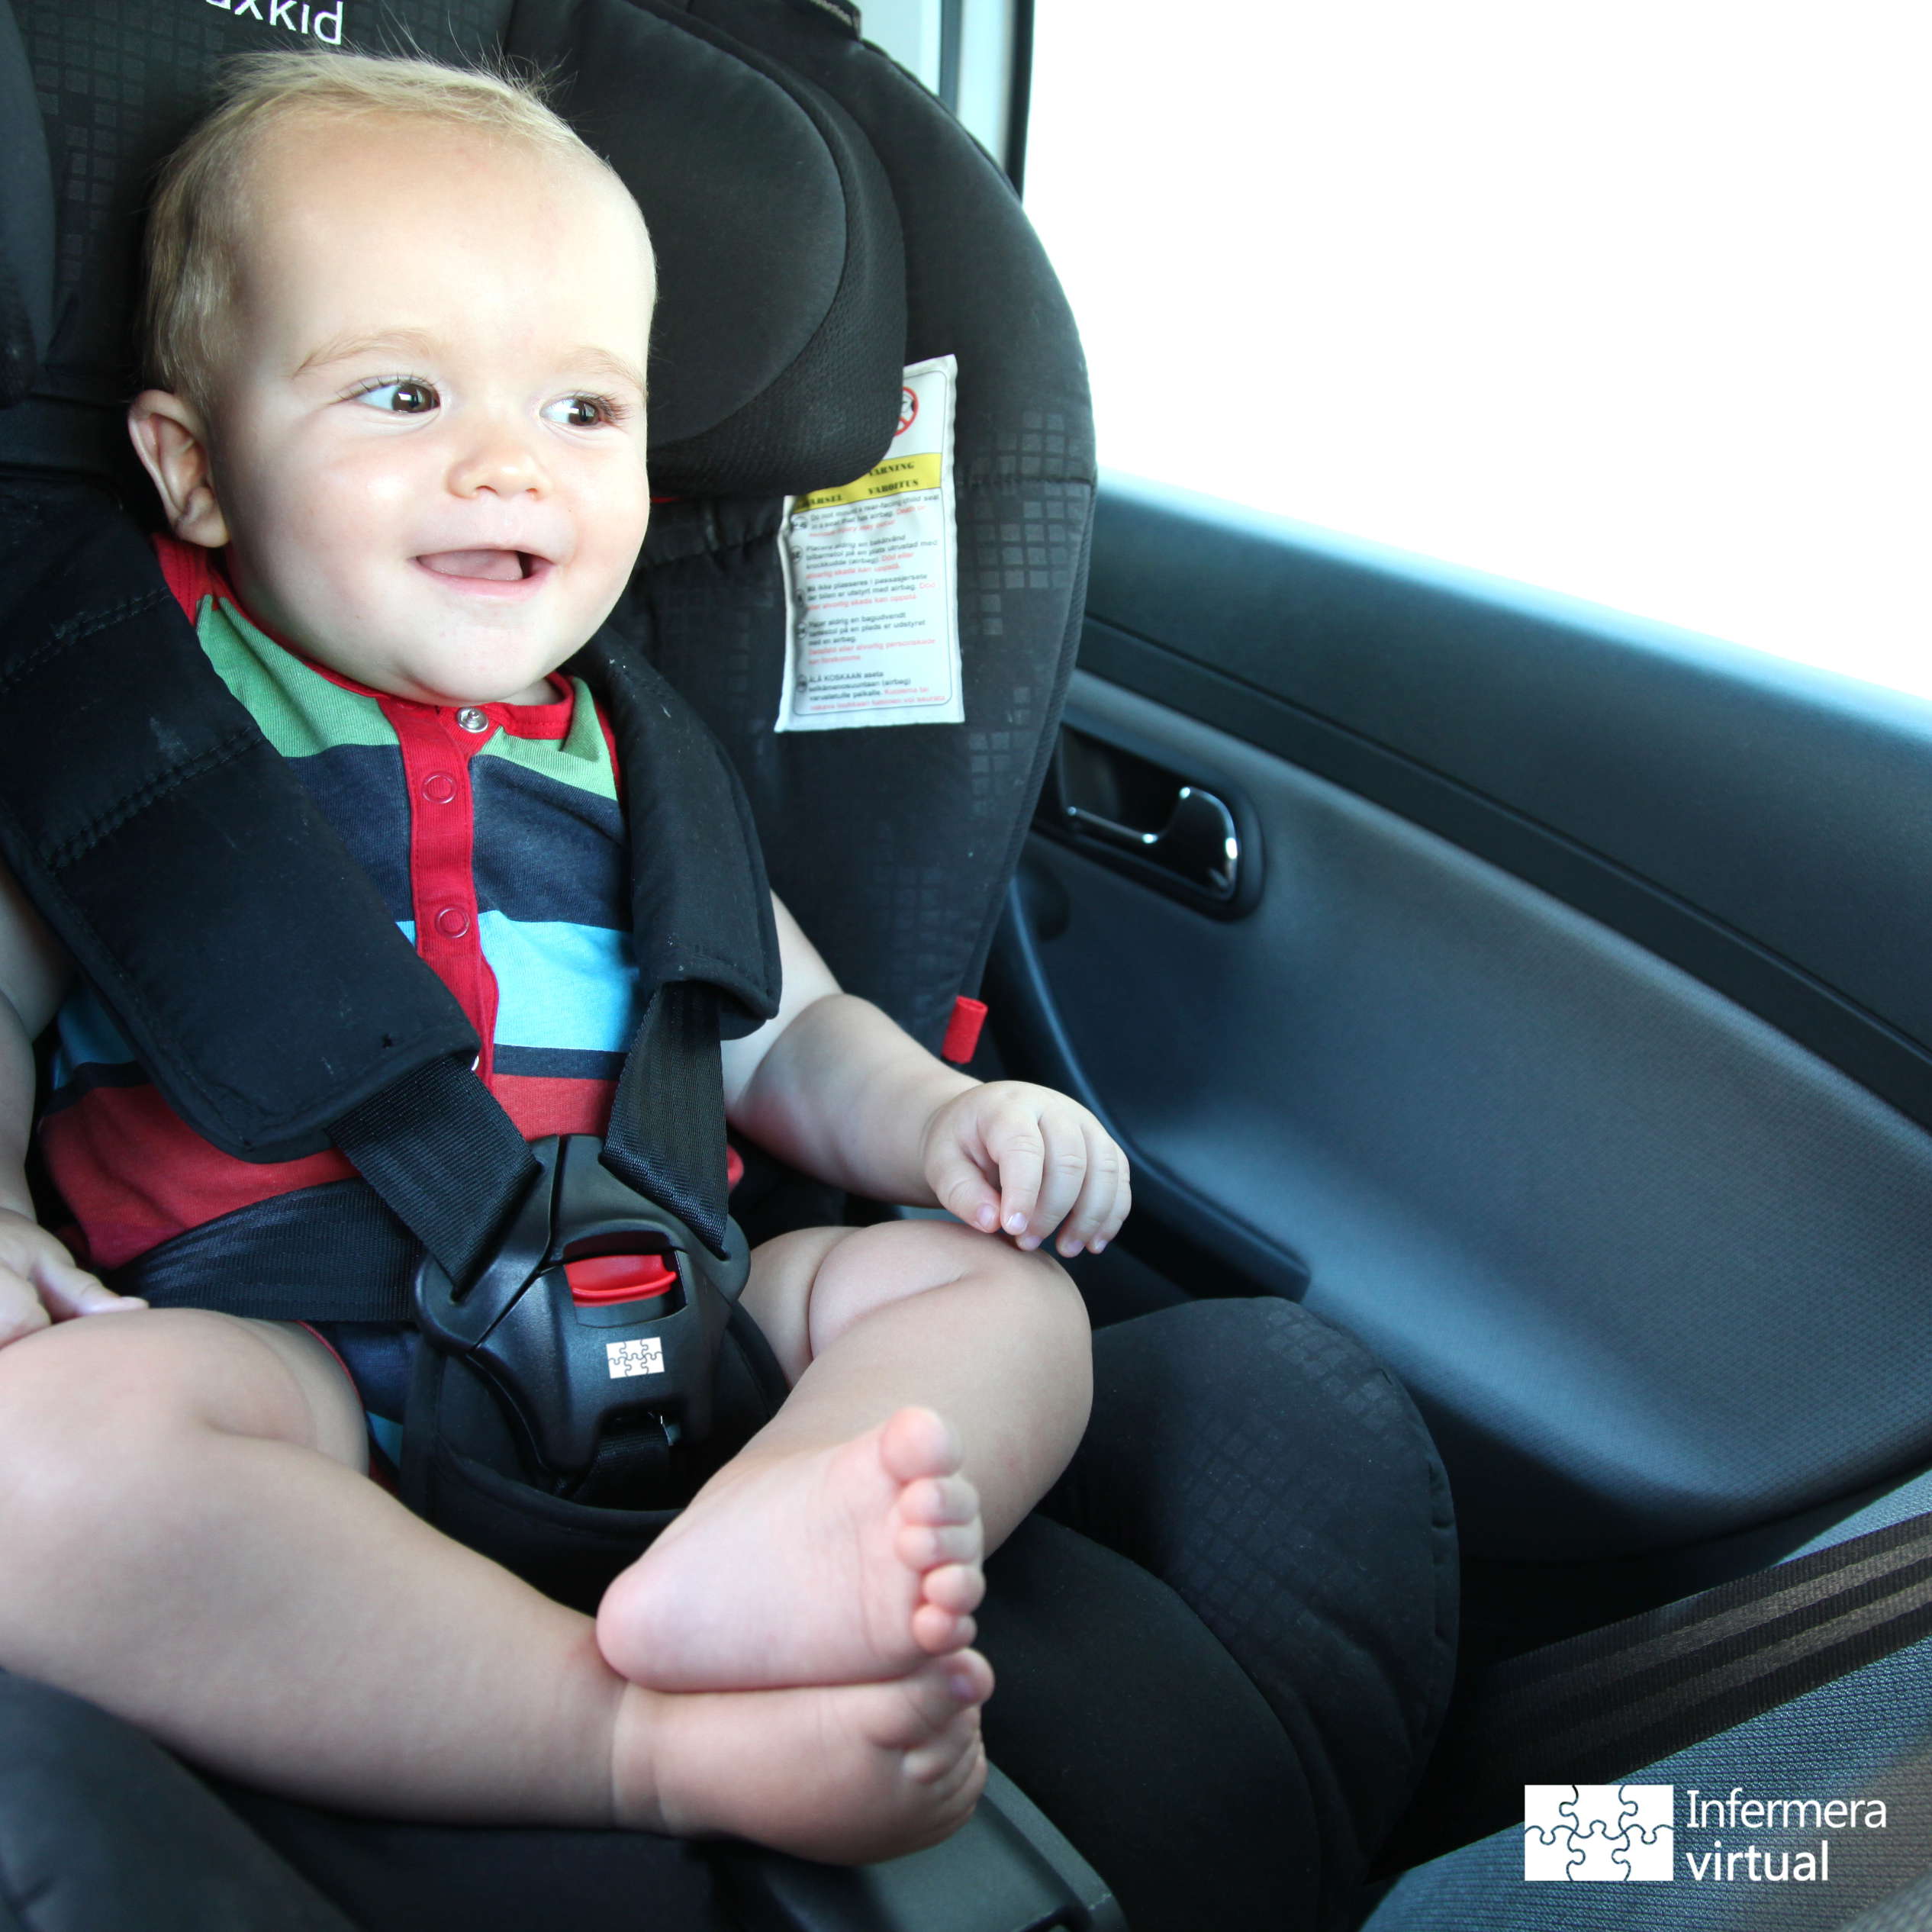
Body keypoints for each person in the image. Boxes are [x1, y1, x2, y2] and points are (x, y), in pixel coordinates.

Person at [0, 50, 1121, 1866]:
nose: (507, 460)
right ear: (192, 469)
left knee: (1002, 1306)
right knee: (30, 1474)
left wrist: (935, 1125)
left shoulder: (642, 763)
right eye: (401, 391)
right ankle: (623, 1742)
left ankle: (777, 1531)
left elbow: (786, 1030)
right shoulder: (135, 737)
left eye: (585, 412)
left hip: (661, 1332)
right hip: (283, 1368)